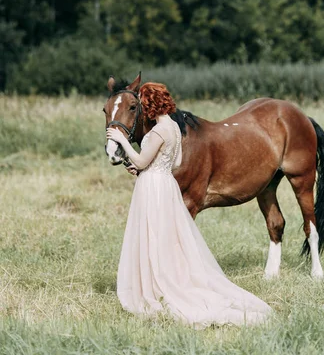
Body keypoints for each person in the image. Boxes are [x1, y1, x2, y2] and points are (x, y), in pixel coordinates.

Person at [106, 82, 272, 328]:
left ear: (149, 105)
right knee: (165, 235)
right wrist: (149, 166)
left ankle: (157, 284)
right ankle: (163, 278)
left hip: (153, 187)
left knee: (153, 234)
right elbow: (177, 161)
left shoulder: (159, 131)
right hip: (165, 183)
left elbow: (141, 160)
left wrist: (123, 141)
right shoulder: (174, 127)